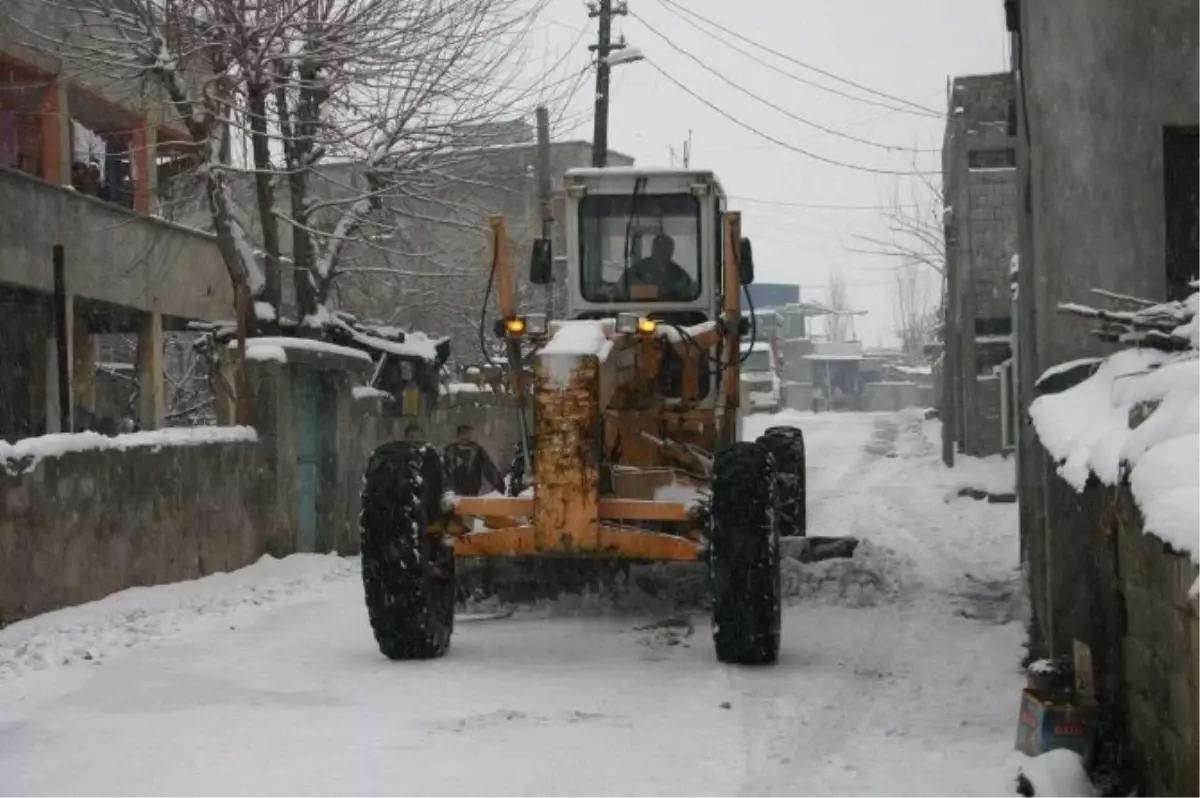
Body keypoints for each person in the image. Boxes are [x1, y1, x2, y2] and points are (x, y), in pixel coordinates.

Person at [626, 233, 697, 301]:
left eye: (666, 248)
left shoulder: (680, 275)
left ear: (671, 251)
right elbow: (621, 292)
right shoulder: (637, 269)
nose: (661, 252)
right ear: (653, 249)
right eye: (658, 247)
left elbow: (690, 297)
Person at [442, 424, 505, 496]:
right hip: (452, 498)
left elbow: (490, 470)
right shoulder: (450, 452)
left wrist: (501, 487)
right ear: (458, 435)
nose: (465, 437)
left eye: (467, 433)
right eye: (462, 433)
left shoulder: (477, 451)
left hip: (472, 496)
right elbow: (442, 474)